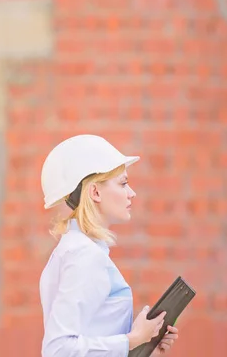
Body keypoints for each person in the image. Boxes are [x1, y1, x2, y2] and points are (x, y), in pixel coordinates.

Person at [39, 134, 179, 357]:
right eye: (123, 183)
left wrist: (146, 349)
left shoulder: (75, 250)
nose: (131, 192)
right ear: (95, 192)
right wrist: (133, 340)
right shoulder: (83, 255)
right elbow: (58, 350)